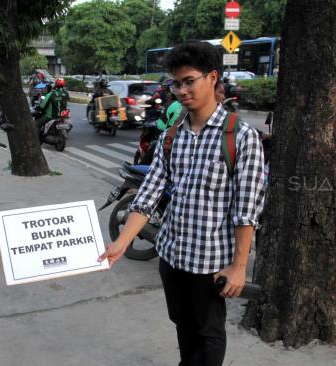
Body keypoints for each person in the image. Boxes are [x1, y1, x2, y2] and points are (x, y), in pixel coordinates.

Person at [98, 41, 266, 366]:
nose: (182, 90)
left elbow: (247, 211)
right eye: (176, 83)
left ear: (212, 77)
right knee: (183, 325)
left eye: (189, 81)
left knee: (209, 333)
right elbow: (148, 195)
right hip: (171, 256)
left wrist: (239, 267)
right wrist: (122, 241)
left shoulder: (240, 137)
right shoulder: (171, 135)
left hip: (209, 263)